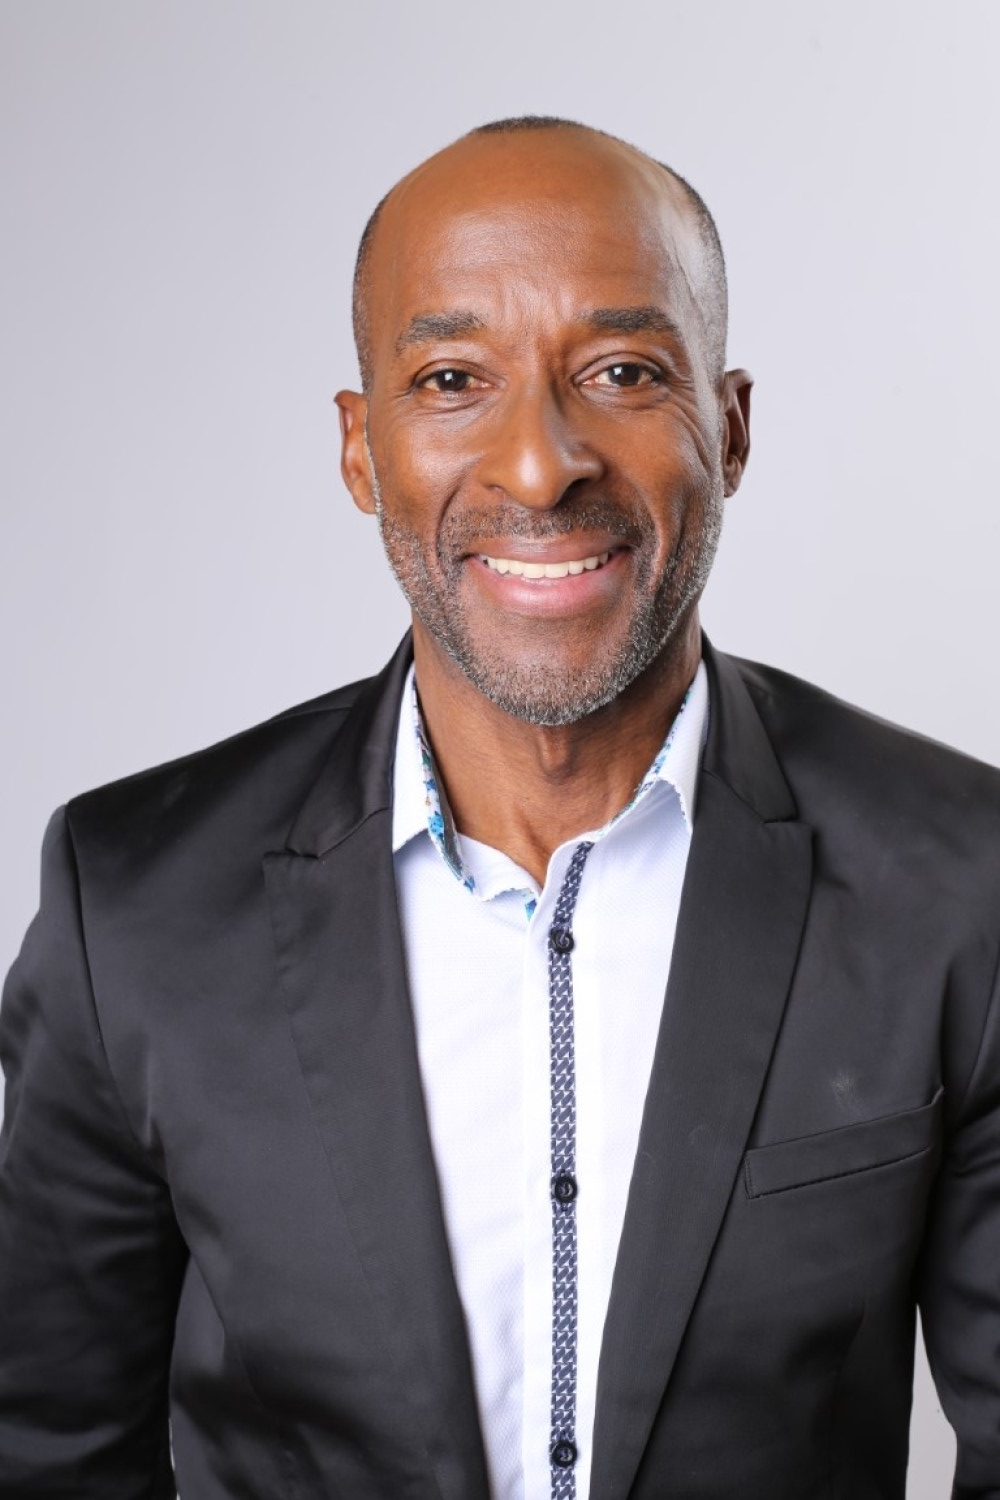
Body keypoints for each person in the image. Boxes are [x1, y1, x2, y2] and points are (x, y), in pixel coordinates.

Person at [1, 115, 998, 1500]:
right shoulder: (134, 908)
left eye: (623, 372)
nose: (540, 465)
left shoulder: (961, 882)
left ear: (729, 426)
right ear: (363, 448)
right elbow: (45, 1454)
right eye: (453, 379)